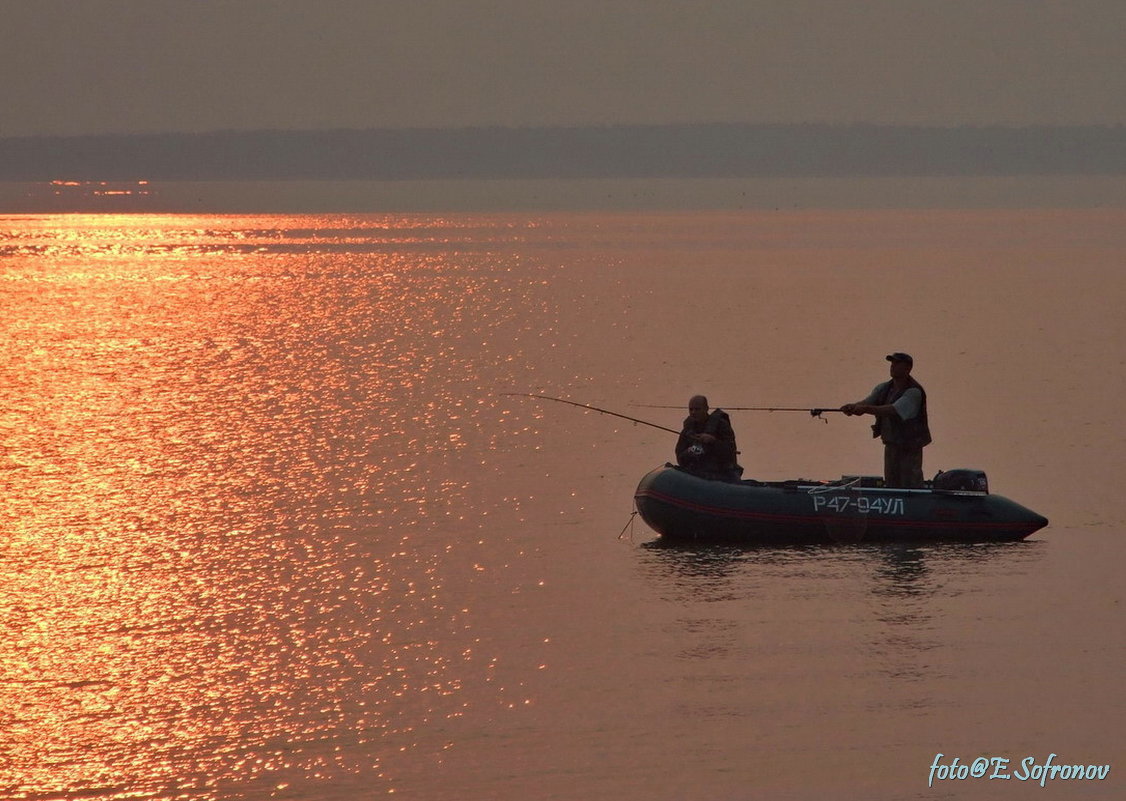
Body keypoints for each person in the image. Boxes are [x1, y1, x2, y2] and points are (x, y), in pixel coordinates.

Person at [840, 353, 932, 489]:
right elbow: (868, 402)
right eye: (892, 363)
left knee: (910, 483)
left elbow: (893, 410)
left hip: (910, 447)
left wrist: (864, 409)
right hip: (891, 444)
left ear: (908, 368)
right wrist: (853, 407)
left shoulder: (914, 392)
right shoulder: (883, 388)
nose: (892, 366)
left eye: (897, 364)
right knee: (892, 483)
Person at [675, 395, 743, 481]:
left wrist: (713, 441)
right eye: (691, 409)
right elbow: (680, 456)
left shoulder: (721, 425)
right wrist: (689, 451)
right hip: (696, 473)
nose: (693, 412)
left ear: (706, 408)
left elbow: (730, 453)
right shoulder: (688, 429)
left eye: (697, 409)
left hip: (719, 474)